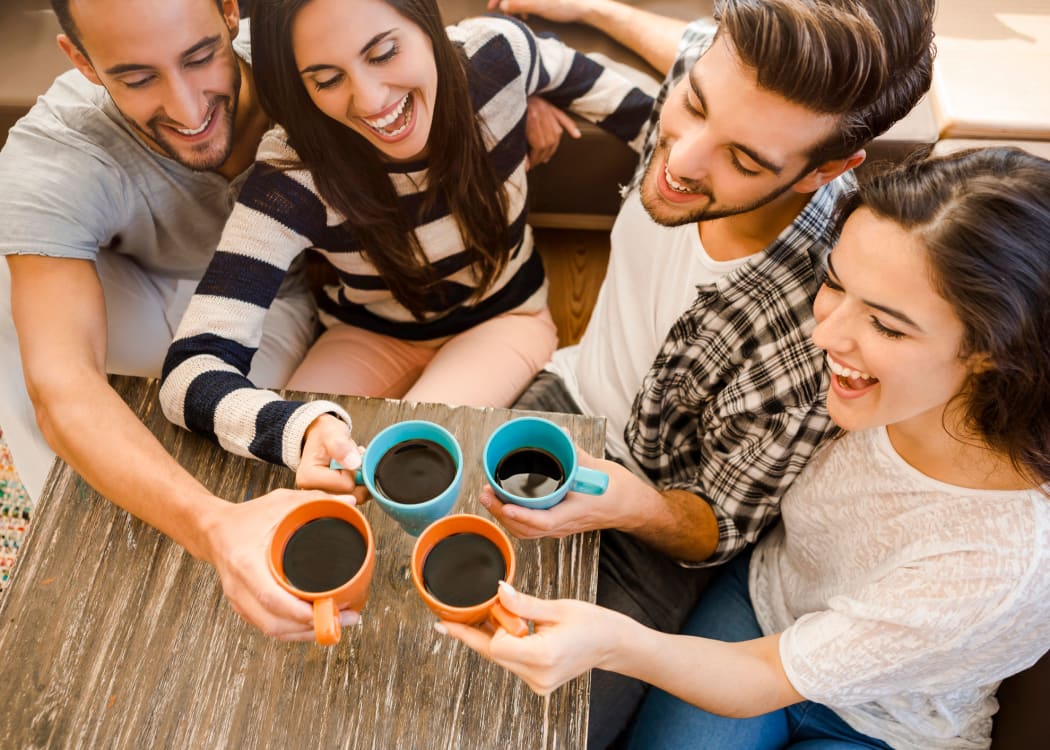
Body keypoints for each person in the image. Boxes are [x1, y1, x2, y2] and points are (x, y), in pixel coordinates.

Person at [444, 146, 1050, 750]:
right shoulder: (882, 384)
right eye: (834, 284)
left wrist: (612, 641)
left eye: (887, 325)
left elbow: (765, 676)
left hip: (884, 723)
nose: (825, 335)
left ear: (994, 350)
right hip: (767, 602)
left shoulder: (999, 560)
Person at [477, 1, 936, 744]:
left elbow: (714, 527)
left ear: (827, 171)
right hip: (563, 398)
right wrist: (587, 8)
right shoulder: (718, 77)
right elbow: (685, 43)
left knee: (523, 728)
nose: (683, 158)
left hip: (653, 523)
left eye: (745, 160)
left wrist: (626, 505)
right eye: (692, 104)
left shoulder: (817, 333)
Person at [157, 0, 654, 492]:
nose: (372, 100)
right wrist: (297, 428)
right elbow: (189, 373)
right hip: (367, 334)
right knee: (298, 488)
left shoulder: (500, 54)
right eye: (327, 79)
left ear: (425, 22)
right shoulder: (292, 170)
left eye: (384, 52)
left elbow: (651, 121)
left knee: (403, 479)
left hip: (504, 319)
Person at [0, 0, 355, 639]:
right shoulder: (54, 151)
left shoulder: (298, 46)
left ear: (229, 11)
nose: (190, 111)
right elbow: (62, 387)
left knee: (228, 436)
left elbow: (408, 50)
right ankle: (70, 538)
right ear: (80, 60)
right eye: (138, 79)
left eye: (200, 58)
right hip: (138, 283)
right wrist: (211, 526)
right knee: (12, 297)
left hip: (275, 295)